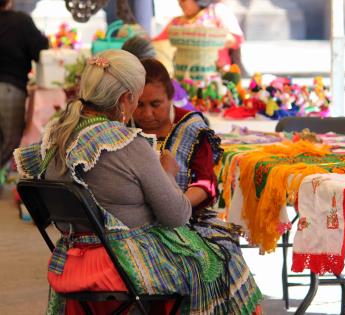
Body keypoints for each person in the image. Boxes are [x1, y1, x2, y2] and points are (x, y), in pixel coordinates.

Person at [14, 50, 261, 314]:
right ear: (125, 98)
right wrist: (165, 170)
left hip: (70, 260)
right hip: (120, 265)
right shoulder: (126, 143)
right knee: (221, 255)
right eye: (137, 98)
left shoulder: (56, 135)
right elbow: (176, 214)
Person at [133, 58, 262, 314]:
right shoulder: (123, 128)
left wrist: (175, 205)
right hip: (136, 223)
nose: (147, 114)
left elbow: (206, 185)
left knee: (221, 256)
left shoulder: (193, 129)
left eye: (155, 104)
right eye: (139, 105)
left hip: (191, 220)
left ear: (170, 97)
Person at [0, 0, 48, 172]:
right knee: (10, 141)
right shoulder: (21, 21)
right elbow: (40, 50)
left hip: (8, 88)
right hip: (9, 89)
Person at [154, 0, 244, 70]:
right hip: (183, 74)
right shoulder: (176, 22)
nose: (180, 3)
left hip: (217, 73)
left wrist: (202, 41)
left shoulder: (216, 10)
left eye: (183, 0)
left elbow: (235, 38)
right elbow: (158, 42)